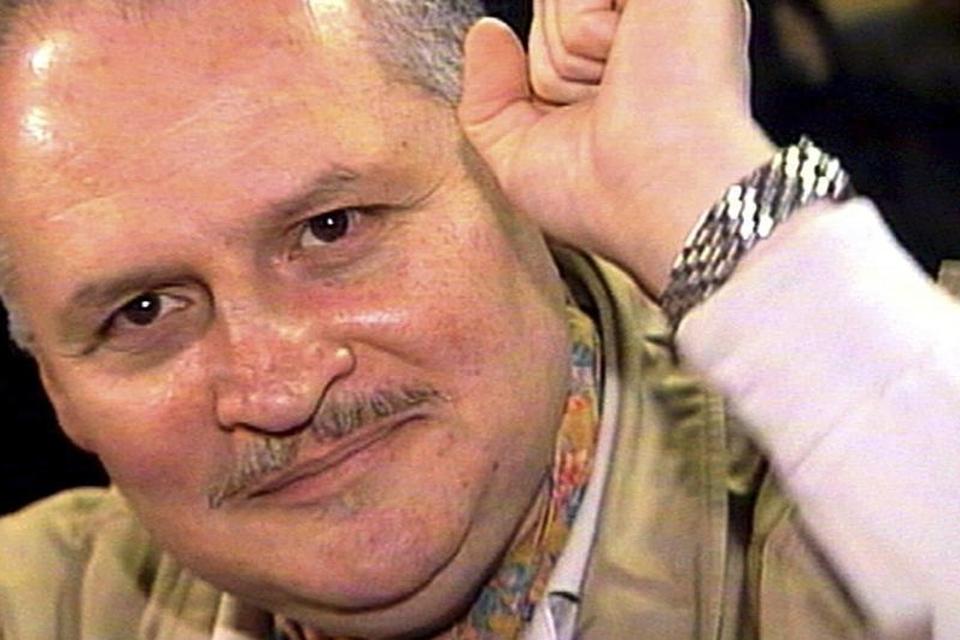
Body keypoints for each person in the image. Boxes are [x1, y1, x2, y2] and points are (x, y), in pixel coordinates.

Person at [0, 1, 955, 639]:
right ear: (55, 387)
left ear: (511, 176)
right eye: (143, 312)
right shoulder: (45, 601)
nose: (277, 389)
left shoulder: (885, 444)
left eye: (332, 230)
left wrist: (709, 203)